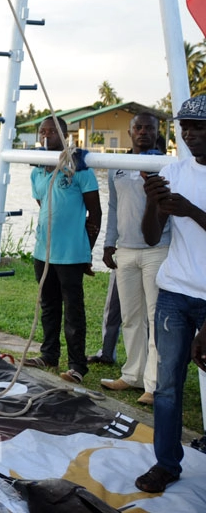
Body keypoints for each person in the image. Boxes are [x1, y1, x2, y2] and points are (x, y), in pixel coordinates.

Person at [134, 95, 206, 493]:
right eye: (186, 126)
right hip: (175, 293)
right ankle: (166, 464)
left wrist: (191, 210)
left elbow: (192, 215)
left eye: (200, 126)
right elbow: (149, 237)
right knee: (166, 386)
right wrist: (153, 204)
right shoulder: (173, 171)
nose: (191, 133)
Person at [23, 116, 101, 384]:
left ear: (64, 135)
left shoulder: (79, 168)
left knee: (73, 310)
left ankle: (77, 365)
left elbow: (95, 213)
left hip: (71, 254)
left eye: (51, 132)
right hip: (42, 252)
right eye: (41, 131)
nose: (46, 136)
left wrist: (87, 252)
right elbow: (43, 202)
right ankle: (49, 354)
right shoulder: (37, 171)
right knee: (48, 305)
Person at [99, 112, 168, 406]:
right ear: (130, 132)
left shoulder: (165, 166)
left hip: (157, 250)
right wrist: (108, 243)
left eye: (148, 128)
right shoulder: (119, 166)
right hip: (125, 250)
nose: (143, 132)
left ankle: (153, 385)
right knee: (130, 317)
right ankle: (131, 375)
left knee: (155, 319)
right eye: (137, 128)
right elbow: (114, 209)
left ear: (156, 132)